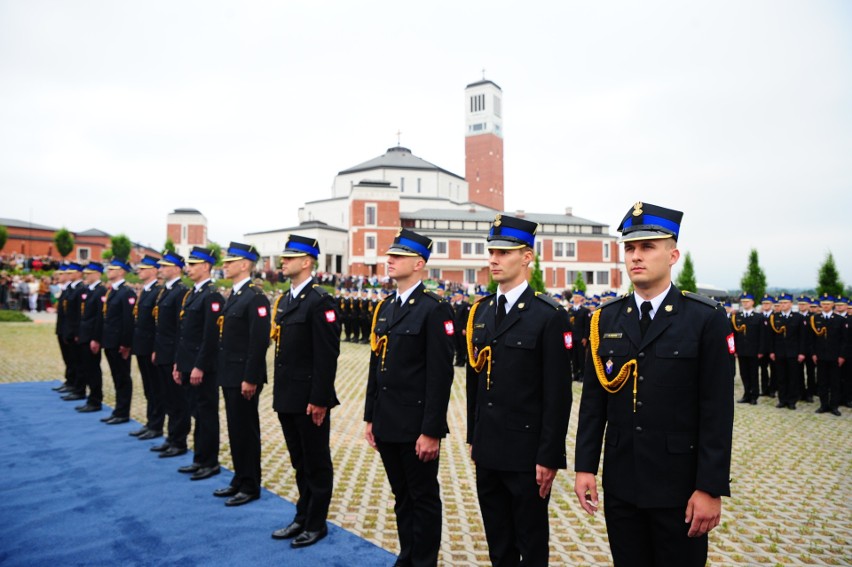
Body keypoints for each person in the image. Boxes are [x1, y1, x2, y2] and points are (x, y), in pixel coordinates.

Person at [574, 202, 734, 567]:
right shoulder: (605, 318)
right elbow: (593, 402)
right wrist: (585, 467)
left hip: (678, 488)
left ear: (673, 254)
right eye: (629, 248)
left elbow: (717, 411)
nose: (636, 256)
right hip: (622, 484)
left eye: (648, 247)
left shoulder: (705, 319)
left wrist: (709, 488)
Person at [465, 215, 572, 567]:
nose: (493, 259)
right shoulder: (480, 312)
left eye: (504, 252)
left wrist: (549, 456)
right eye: (491, 251)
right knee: (498, 539)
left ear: (526, 257)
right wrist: (472, 435)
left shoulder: (548, 316)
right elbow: (474, 380)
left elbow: (558, 394)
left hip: (527, 455)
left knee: (531, 541)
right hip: (489, 446)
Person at [365, 228, 455, 566]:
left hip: (416, 426)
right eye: (390, 255)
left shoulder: (434, 309)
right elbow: (377, 366)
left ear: (419, 264)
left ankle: (424, 561)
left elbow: (440, 375)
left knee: (423, 498)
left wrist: (431, 430)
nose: (390, 260)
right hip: (387, 421)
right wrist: (369, 416)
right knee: (402, 497)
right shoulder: (387, 308)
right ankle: (408, 556)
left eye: (398, 256)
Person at [271, 235, 340, 547]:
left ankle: (316, 522)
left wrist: (319, 399)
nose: (282, 261)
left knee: (316, 463)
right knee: (299, 462)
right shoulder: (285, 300)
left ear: (307, 262)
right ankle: (302, 515)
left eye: (290, 257)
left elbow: (327, 355)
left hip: (309, 399)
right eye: (283, 257)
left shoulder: (320, 301)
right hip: (287, 396)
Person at [214, 242, 270, 505]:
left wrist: (251, 377)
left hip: (244, 377)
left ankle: (250, 485)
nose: (224, 266)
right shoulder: (235, 295)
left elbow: (258, 342)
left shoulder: (255, 296)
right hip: (230, 373)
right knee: (235, 429)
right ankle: (239, 477)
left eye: (229, 261)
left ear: (245, 264)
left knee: (246, 431)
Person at [174, 247, 224, 478]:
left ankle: (210, 462)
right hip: (188, 364)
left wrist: (199, 366)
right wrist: (178, 364)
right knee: (196, 413)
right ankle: (199, 458)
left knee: (206, 415)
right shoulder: (193, 294)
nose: (188, 269)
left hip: (202, 368)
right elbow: (184, 333)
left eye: (193, 265)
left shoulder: (212, 295)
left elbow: (210, 336)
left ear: (206, 266)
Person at [150, 252, 190, 456]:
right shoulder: (166, 291)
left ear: (176, 268)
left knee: (178, 400)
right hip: (163, 352)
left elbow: (180, 329)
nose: (161, 269)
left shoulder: (181, 291)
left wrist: (177, 359)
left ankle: (179, 441)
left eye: (165, 266)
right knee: (168, 398)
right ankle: (171, 437)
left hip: (173, 353)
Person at [96, 258, 136, 424]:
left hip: (120, 344)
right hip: (110, 341)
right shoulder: (112, 291)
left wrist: (126, 344)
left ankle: (123, 412)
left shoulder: (127, 292)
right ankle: (118, 410)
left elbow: (128, 321)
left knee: (123, 378)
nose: (108, 271)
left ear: (121, 271)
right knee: (116, 377)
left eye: (112, 269)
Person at [130, 255, 166, 439]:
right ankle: (150, 421)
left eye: (144, 269)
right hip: (141, 345)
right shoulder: (145, 290)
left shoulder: (158, 292)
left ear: (153, 270)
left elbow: (157, 324)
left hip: (151, 346)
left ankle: (157, 425)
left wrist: (155, 348)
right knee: (147, 387)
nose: (140, 271)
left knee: (155, 388)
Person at [75, 262, 108, 413]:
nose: (86, 275)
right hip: (84, 335)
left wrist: (96, 338)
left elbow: (99, 318)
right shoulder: (90, 290)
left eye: (90, 273)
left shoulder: (100, 291)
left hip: (91, 337)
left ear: (97, 274)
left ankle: (95, 400)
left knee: (93, 369)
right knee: (87, 368)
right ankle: (91, 398)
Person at [767, 293, 806, 410]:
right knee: (781, 377)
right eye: (781, 303)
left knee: (793, 377)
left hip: (793, 353)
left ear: (790, 304)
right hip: (779, 352)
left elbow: (802, 337)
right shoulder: (775, 317)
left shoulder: (798, 317)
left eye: (785, 303)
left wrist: (802, 352)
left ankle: (792, 400)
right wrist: (772, 351)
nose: (783, 305)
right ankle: (782, 400)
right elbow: (771, 337)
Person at [809, 294, 847, 416]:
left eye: (828, 304)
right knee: (822, 381)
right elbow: (812, 339)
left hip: (835, 356)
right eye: (823, 304)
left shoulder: (840, 320)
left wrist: (842, 355)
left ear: (832, 305)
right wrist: (814, 353)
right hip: (820, 356)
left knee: (835, 382)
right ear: (821, 305)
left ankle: (834, 406)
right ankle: (823, 405)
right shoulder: (815, 319)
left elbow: (844, 340)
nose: (825, 306)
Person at [731, 292, 765, 405]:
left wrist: (761, 350)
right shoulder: (737, 317)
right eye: (743, 301)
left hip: (754, 351)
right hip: (741, 350)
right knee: (744, 374)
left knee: (753, 374)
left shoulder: (758, 317)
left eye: (747, 301)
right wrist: (734, 349)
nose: (745, 303)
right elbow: (734, 335)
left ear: (752, 303)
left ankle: (754, 395)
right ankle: (746, 394)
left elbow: (762, 335)